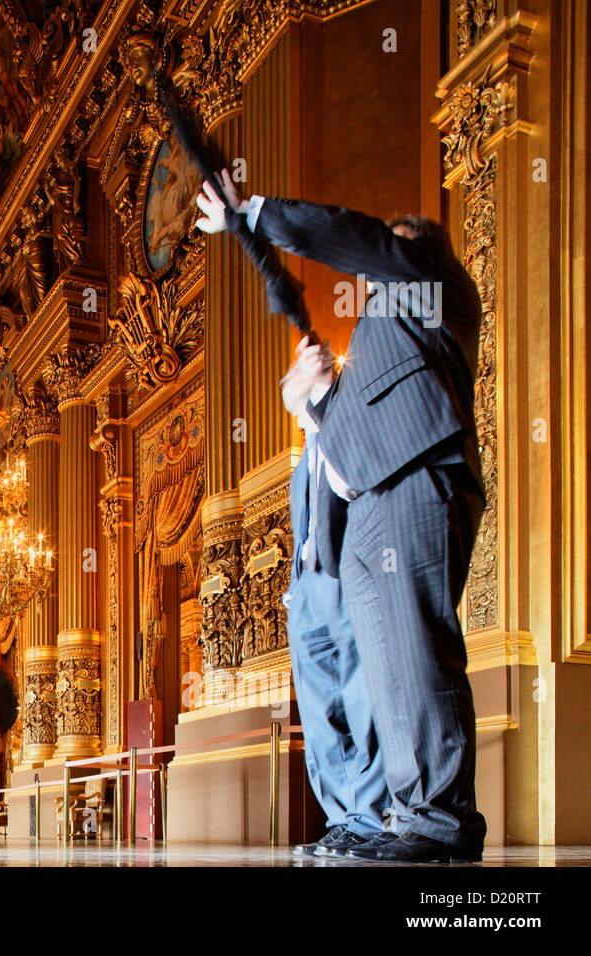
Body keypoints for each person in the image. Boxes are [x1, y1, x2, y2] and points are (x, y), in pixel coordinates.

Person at [197, 170, 486, 863]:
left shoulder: (428, 279)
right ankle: (401, 817)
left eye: (392, 244)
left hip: (418, 472)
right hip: (373, 496)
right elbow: (350, 433)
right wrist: (319, 401)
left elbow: (358, 239)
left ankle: (440, 823)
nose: (382, 256)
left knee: (415, 652)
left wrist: (255, 215)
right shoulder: (387, 332)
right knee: (387, 664)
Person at [277, 340, 390, 856]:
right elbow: (306, 529)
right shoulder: (302, 463)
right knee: (320, 709)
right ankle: (343, 818)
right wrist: (295, 588)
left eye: (298, 390)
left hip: (350, 582)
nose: (293, 403)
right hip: (308, 594)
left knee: (360, 699)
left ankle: (369, 816)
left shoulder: (347, 433)